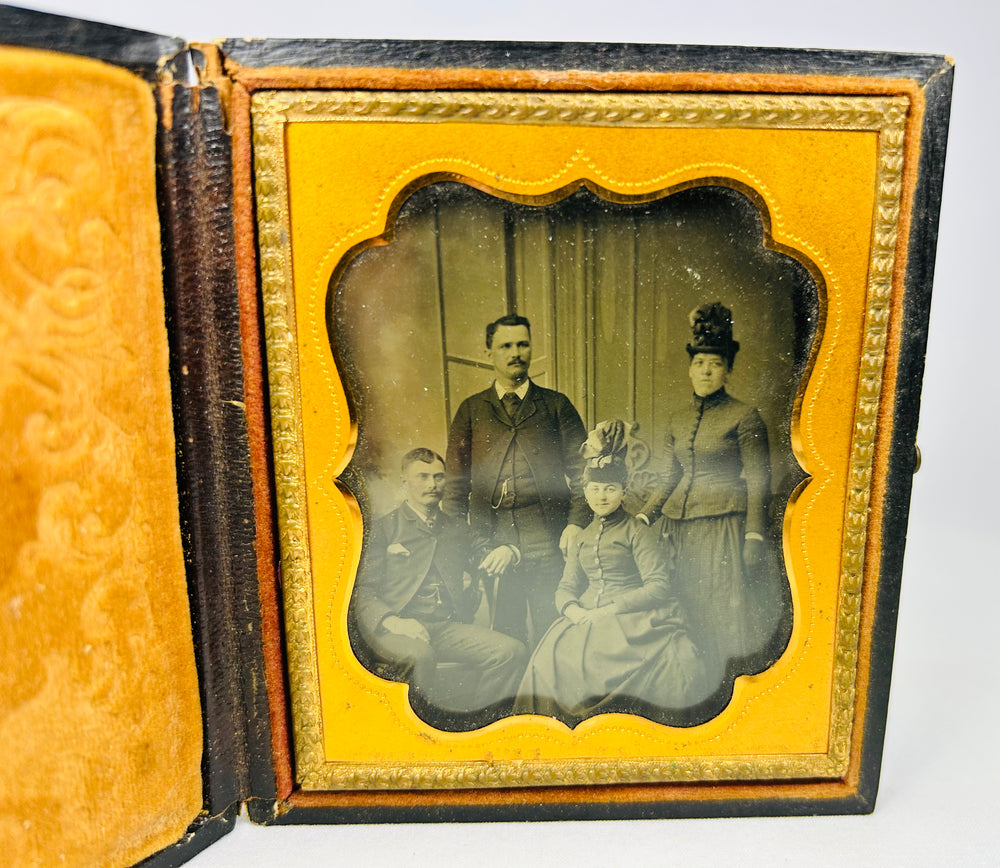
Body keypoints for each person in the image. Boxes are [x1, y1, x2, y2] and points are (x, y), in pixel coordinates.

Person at [513, 420, 707, 725]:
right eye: (595, 489)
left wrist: (613, 608)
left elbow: (658, 585)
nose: (602, 496)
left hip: (636, 618)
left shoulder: (636, 531)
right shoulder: (581, 537)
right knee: (548, 660)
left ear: (623, 491)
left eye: (610, 489)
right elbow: (566, 586)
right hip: (587, 616)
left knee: (675, 664)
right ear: (586, 493)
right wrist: (572, 610)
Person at [637, 302, 771, 686]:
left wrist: (754, 534)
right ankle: (693, 687)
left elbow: (759, 479)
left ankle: (729, 690)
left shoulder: (744, 416)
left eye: (714, 364)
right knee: (685, 609)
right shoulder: (677, 417)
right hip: (680, 530)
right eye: (699, 364)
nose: (706, 371)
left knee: (722, 611)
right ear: (689, 368)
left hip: (723, 528)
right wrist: (644, 516)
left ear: (727, 369)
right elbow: (668, 475)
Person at [442, 314, 590, 647]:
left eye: (523, 344)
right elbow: (454, 491)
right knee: (506, 636)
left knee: (552, 631)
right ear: (488, 352)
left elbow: (585, 472)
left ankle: (551, 699)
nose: (516, 353)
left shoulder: (556, 405)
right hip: (492, 539)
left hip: (548, 537)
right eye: (505, 345)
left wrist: (576, 524)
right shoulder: (471, 410)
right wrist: (469, 548)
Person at [351, 448, 527, 714]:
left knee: (511, 652)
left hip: (446, 627)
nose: (432, 485)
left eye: (438, 477)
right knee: (421, 656)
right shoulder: (383, 529)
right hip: (395, 628)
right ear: (404, 482)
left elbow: (484, 552)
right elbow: (362, 592)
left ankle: (476, 722)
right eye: (422, 477)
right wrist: (394, 621)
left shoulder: (456, 528)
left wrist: (509, 552)